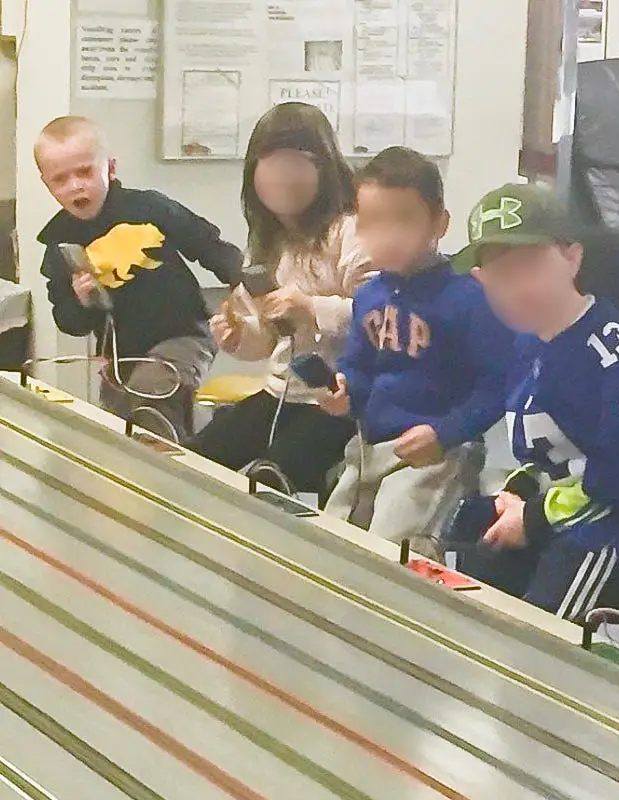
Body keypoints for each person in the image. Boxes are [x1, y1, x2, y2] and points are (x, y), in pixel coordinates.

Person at [449, 182, 619, 618]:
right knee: (470, 526)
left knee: (555, 596)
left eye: (530, 267)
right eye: (501, 276)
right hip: (559, 506)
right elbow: (547, 453)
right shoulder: (527, 341)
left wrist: (534, 518)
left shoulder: (612, 354)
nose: (517, 288)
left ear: (572, 257)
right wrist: (517, 494)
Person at [320, 148, 513, 554]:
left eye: (403, 220)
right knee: (330, 540)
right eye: (372, 223)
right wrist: (345, 390)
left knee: (390, 552)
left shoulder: (467, 297)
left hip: (434, 453)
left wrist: (446, 433)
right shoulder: (370, 294)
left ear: (439, 223)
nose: (388, 235)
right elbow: (358, 364)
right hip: (368, 446)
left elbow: (499, 383)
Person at [185, 103, 369, 494]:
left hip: (339, 402)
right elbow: (267, 339)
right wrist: (239, 336)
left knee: (270, 478)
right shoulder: (268, 241)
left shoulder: (350, 230)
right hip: (281, 391)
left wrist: (311, 308)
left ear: (324, 167)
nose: (282, 177)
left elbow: (382, 314)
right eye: (270, 162)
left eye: (296, 162)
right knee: (194, 459)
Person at [35, 115, 243, 439]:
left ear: (111, 168)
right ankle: (208, 433)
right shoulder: (58, 243)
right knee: (124, 428)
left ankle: (175, 477)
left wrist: (241, 278)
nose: (75, 185)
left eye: (85, 172)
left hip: (184, 333)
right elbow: (69, 322)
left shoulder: (148, 207)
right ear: (47, 184)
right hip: (123, 356)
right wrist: (80, 300)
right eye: (60, 179)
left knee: (151, 398)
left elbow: (204, 242)